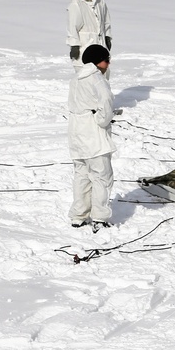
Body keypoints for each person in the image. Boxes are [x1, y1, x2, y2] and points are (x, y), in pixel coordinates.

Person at [67, 44, 116, 229]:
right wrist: (100, 120)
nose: (108, 64)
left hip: (76, 135)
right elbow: (106, 106)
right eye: (106, 60)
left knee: (81, 175)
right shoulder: (97, 80)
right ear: (98, 61)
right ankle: (99, 217)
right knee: (101, 177)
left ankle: (78, 215)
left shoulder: (75, 79)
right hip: (93, 137)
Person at [67, 0, 112, 76]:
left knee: (104, 77)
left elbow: (106, 20)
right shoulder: (76, 4)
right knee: (86, 78)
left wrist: (108, 36)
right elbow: (72, 26)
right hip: (85, 47)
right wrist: (74, 45)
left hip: (100, 46)